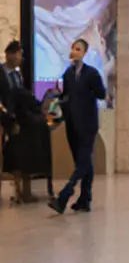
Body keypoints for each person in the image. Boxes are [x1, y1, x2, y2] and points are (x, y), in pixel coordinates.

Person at [49, 39, 106, 214]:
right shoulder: (68, 74)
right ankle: (84, 199)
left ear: (85, 52)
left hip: (88, 124)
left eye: (78, 49)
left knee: (82, 161)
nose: (74, 51)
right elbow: (66, 95)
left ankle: (66, 194)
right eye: (73, 48)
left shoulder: (92, 74)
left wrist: (91, 92)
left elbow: (101, 94)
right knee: (83, 162)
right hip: (72, 123)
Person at [1, 40, 49, 203]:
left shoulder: (18, 74)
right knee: (10, 156)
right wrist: (8, 121)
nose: (20, 58)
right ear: (9, 54)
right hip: (5, 121)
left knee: (26, 152)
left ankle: (25, 191)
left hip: (22, 121)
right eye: (18, 54)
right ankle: (16, 189)